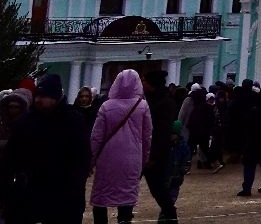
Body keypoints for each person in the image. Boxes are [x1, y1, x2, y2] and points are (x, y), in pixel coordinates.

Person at [5, 74, 91, 224]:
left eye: (44, 96)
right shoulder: (26, 121)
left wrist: (74, 187)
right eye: (37, 95)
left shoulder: (73, 121)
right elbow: (10, 156)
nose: (38, 99)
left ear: (55, 97)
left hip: (63, 196)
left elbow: (82, 158)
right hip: (29, 193)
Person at [89, 68, 152, 224]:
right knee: (127, 196)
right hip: (133, 158)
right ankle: (124, 220)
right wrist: (144, 158)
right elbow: (147, 136)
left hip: (107, 157)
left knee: (101, 196)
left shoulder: (106, 106)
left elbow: (96, 137)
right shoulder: (142, 106)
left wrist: (91, 159)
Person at [141, 70, 182, 224]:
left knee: (158, 189)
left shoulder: (164, 103)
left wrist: (154, 156)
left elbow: (162, 132)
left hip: (155, 155)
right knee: (130, 189)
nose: (141, 83)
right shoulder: (146, 100)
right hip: (143, 151)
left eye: (144, 80)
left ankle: (171, 216)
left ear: (152, 83)